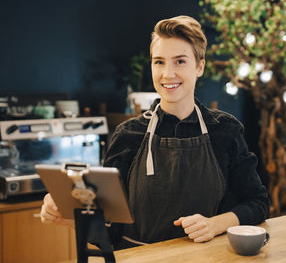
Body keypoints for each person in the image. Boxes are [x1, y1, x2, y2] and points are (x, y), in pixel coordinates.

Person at [40, 15, 269, 248]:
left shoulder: (225, 130)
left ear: (200, 67)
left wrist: (215, 224)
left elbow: (257, 203)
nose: (167, 74)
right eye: (159, 62)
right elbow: (109, 231)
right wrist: (67, 215)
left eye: (180, 61)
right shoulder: (128, 135)